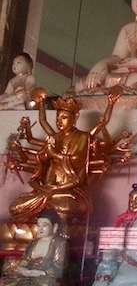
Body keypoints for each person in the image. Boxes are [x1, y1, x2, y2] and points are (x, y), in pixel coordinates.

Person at [8, 87, 121, 221]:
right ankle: (45, 215)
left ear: (75, 118)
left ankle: (48, 215)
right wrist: (42, 103)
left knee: (67, 205)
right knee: (15, 206)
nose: (59, 122)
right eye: (58, 118)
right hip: (48, 191)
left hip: (70, 191)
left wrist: (111, 102)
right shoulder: (54, 138)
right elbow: (43, 122)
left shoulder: (83, 137)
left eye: (64, 118)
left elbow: (77, 159)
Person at [0, 210, 68, 286]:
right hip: (28, 277)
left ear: (55, 227)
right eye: (38, 225)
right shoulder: (34, 243)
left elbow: (59, 267)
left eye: (45, 225)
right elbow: (26, 260)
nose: (41, 228)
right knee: (6, 284)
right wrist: (23, 269)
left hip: (46, 279)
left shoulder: (60, 243)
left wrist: (40, 272)